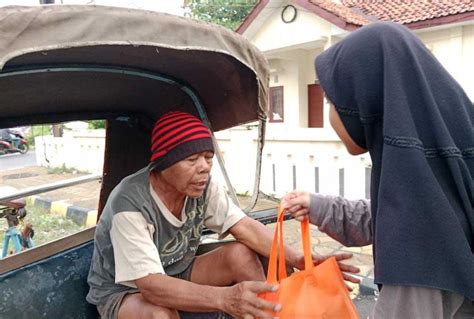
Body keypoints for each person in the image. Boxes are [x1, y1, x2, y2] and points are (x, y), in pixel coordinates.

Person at [282, 22, 474, 318]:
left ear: (365, 103)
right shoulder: (440, 179)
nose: (331, 114)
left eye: (332, 101)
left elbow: (407, 227)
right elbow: (390, 216)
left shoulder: (418, 242)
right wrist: (317, 205)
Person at [87, 111, 359, 319]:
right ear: (163, 163)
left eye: (208, 157)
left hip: (178, 270)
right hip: (125, 290)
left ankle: (268, 312)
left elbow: (244, 227)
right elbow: (151, 287)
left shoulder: (202, 187)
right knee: (160, 315)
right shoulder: (130, 203)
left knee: (240, 253)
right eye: (191, 160)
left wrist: (300, 259)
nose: (204, 167)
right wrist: (225, 298)